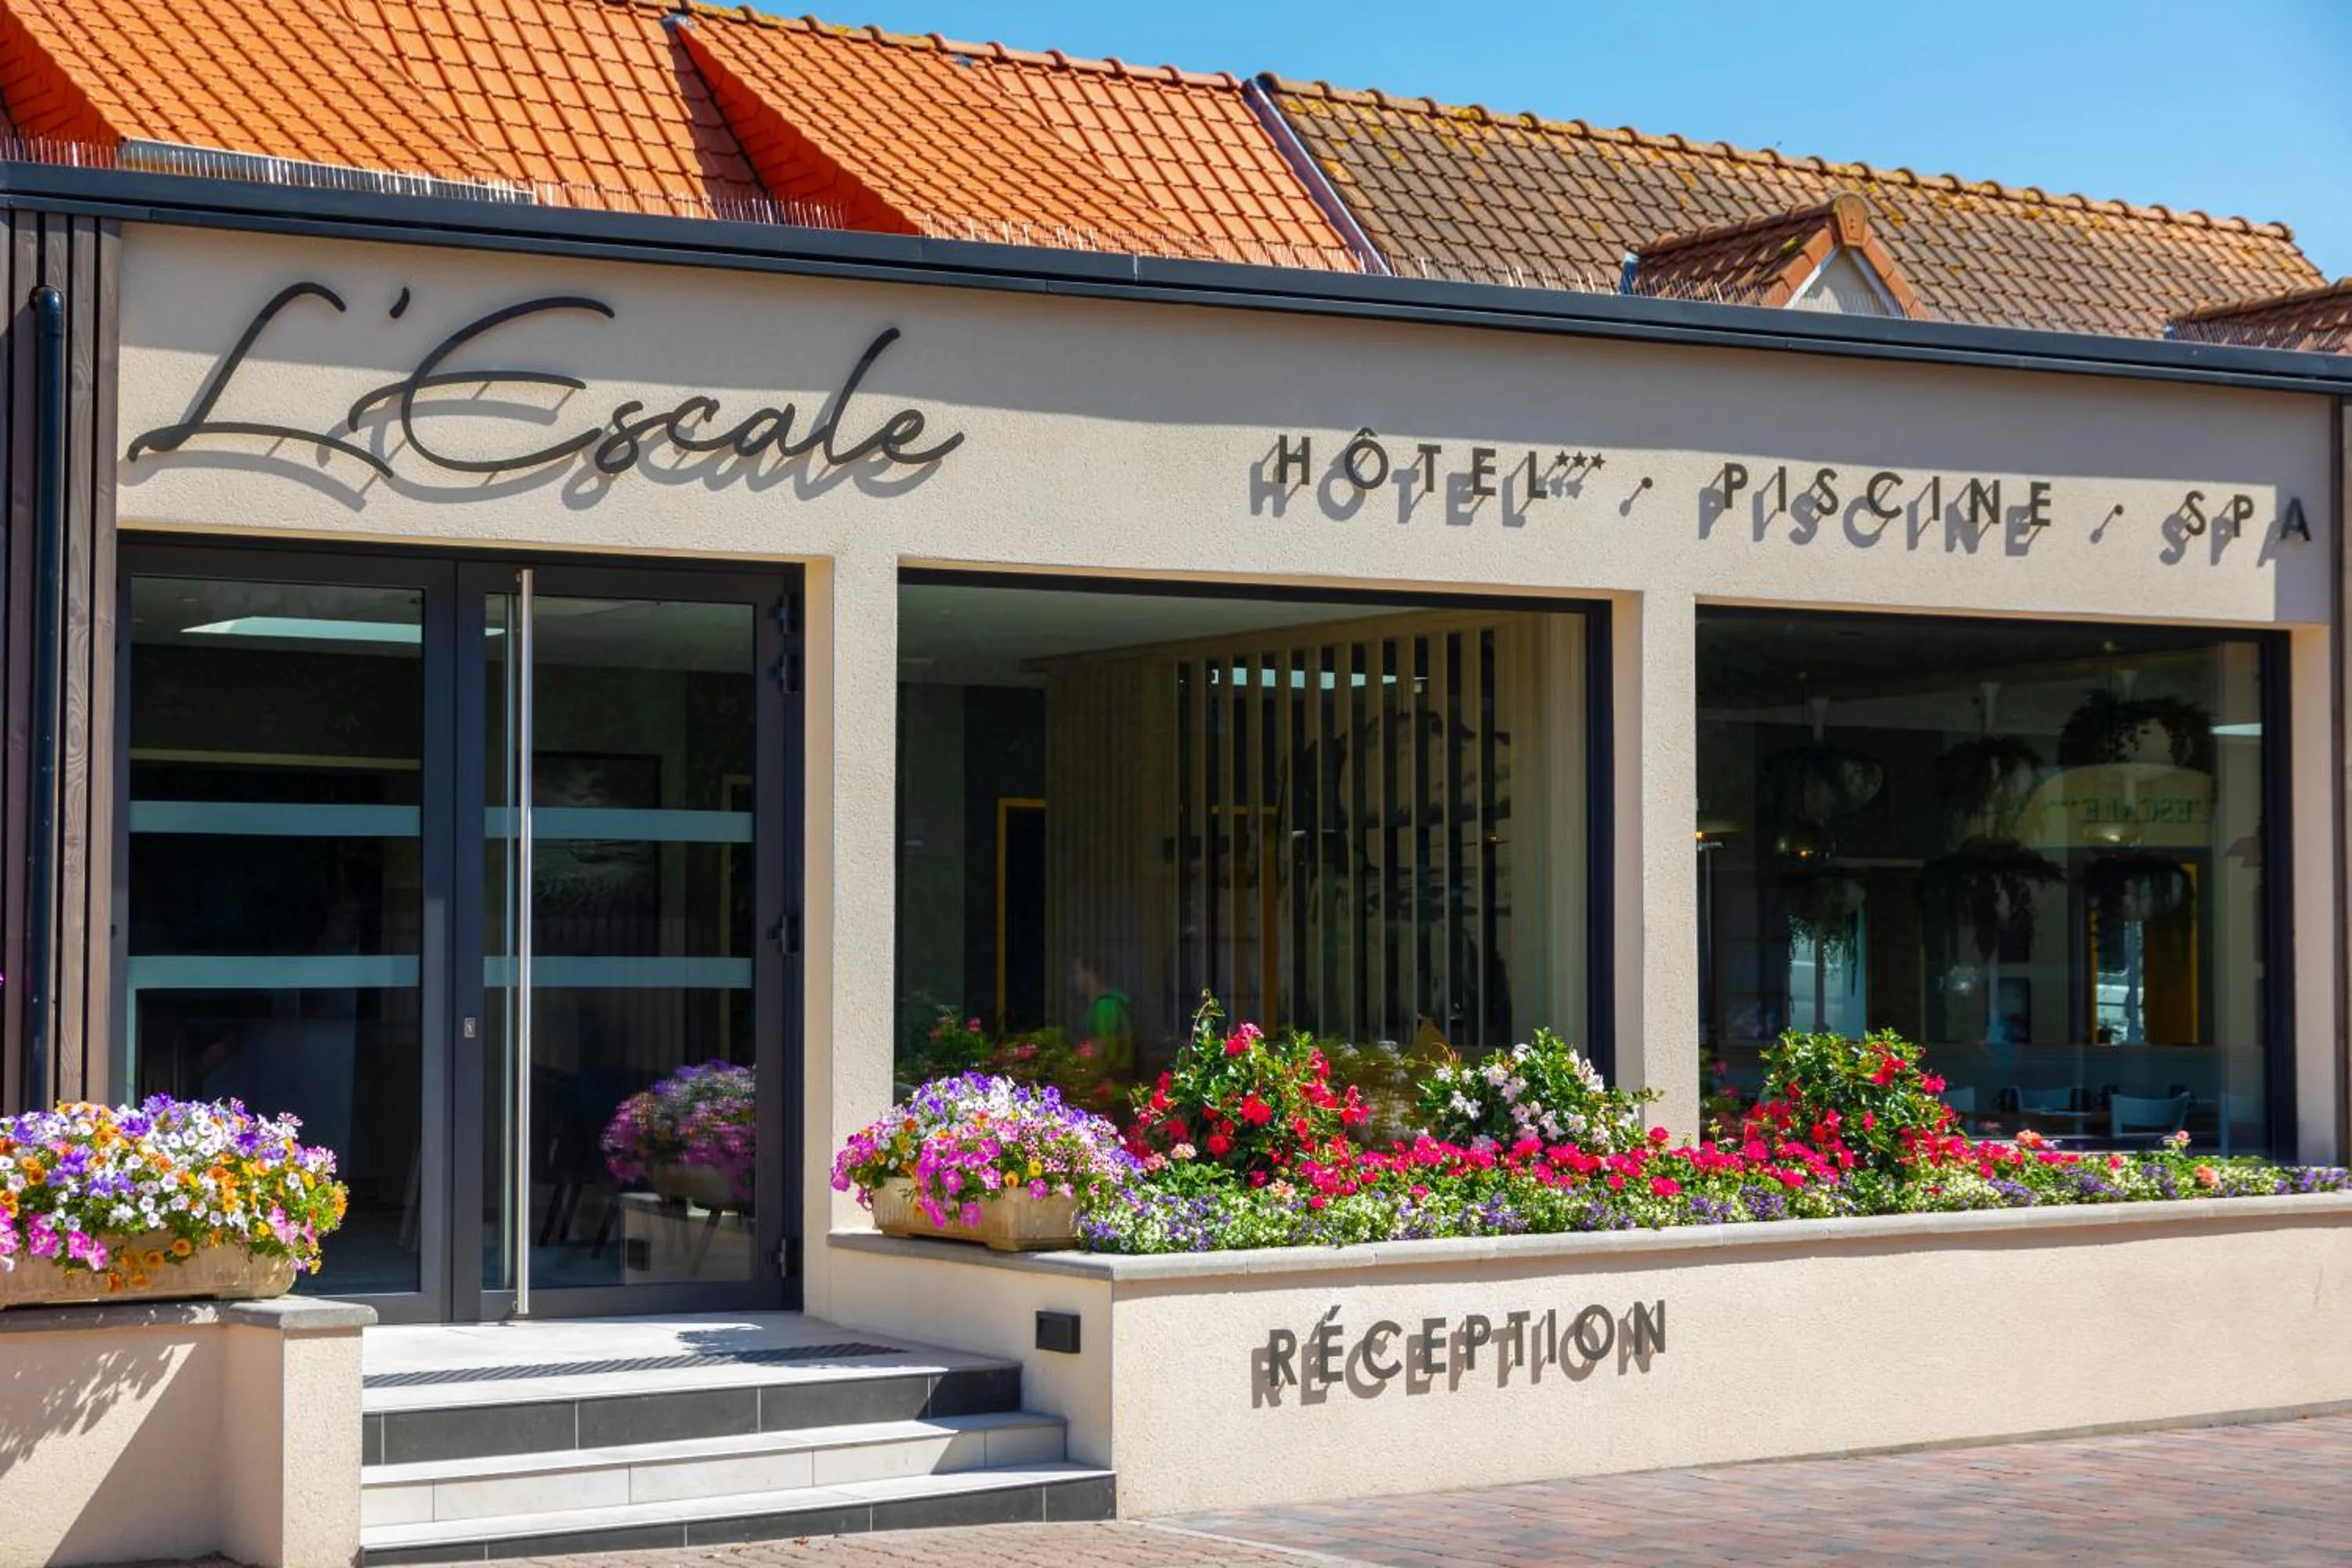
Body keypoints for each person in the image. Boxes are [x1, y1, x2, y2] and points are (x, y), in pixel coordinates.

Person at [1069, 958, 1134, 1076]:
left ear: (1091, 974)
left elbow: (1104, 1052)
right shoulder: (1106, 1004)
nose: (1075, 979)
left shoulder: (1106, 1006)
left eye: (1077, 972)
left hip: (1110, 1083)